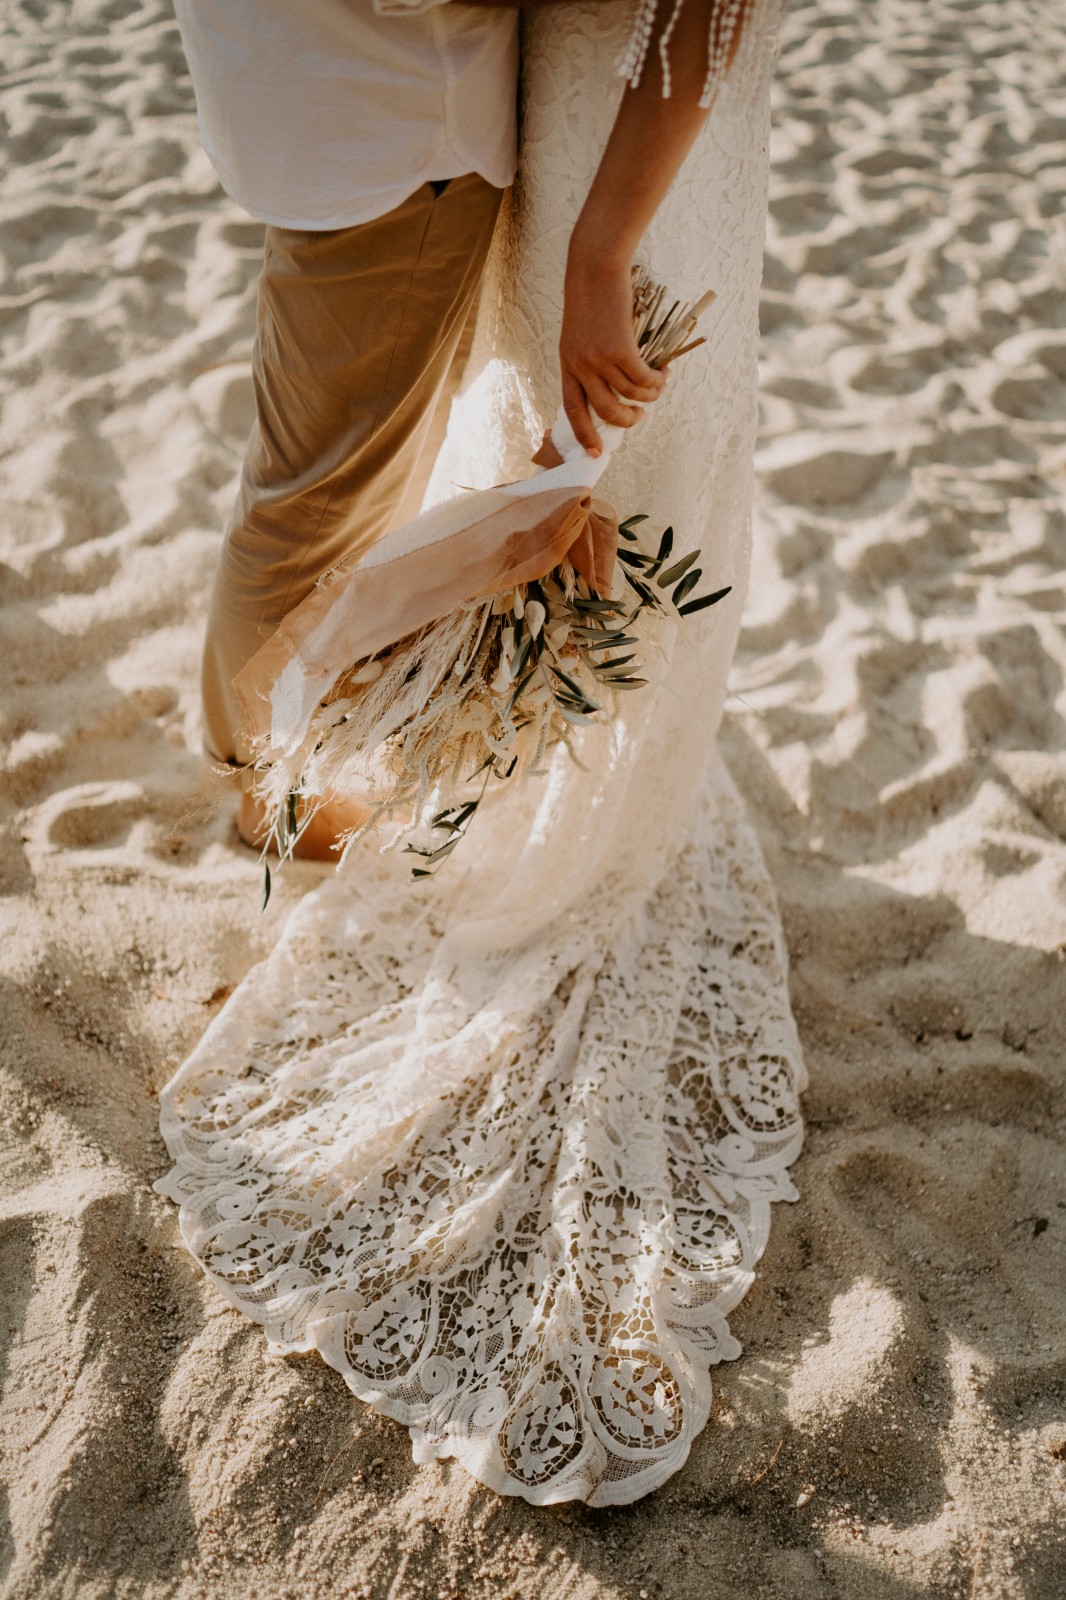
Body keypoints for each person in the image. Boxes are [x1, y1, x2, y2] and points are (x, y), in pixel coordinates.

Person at [156, 0, 806, 1508]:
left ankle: (519, 786)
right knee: (512, 485)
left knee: (609, 488)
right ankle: (302, 771)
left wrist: (595, 249)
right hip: (528, 135)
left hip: (608, 163)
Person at [175, 0, 741, 858]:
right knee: (315, 506)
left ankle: (275, 768)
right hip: (386, 132)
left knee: (317, 482)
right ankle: (269, 790)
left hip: (327, 108)